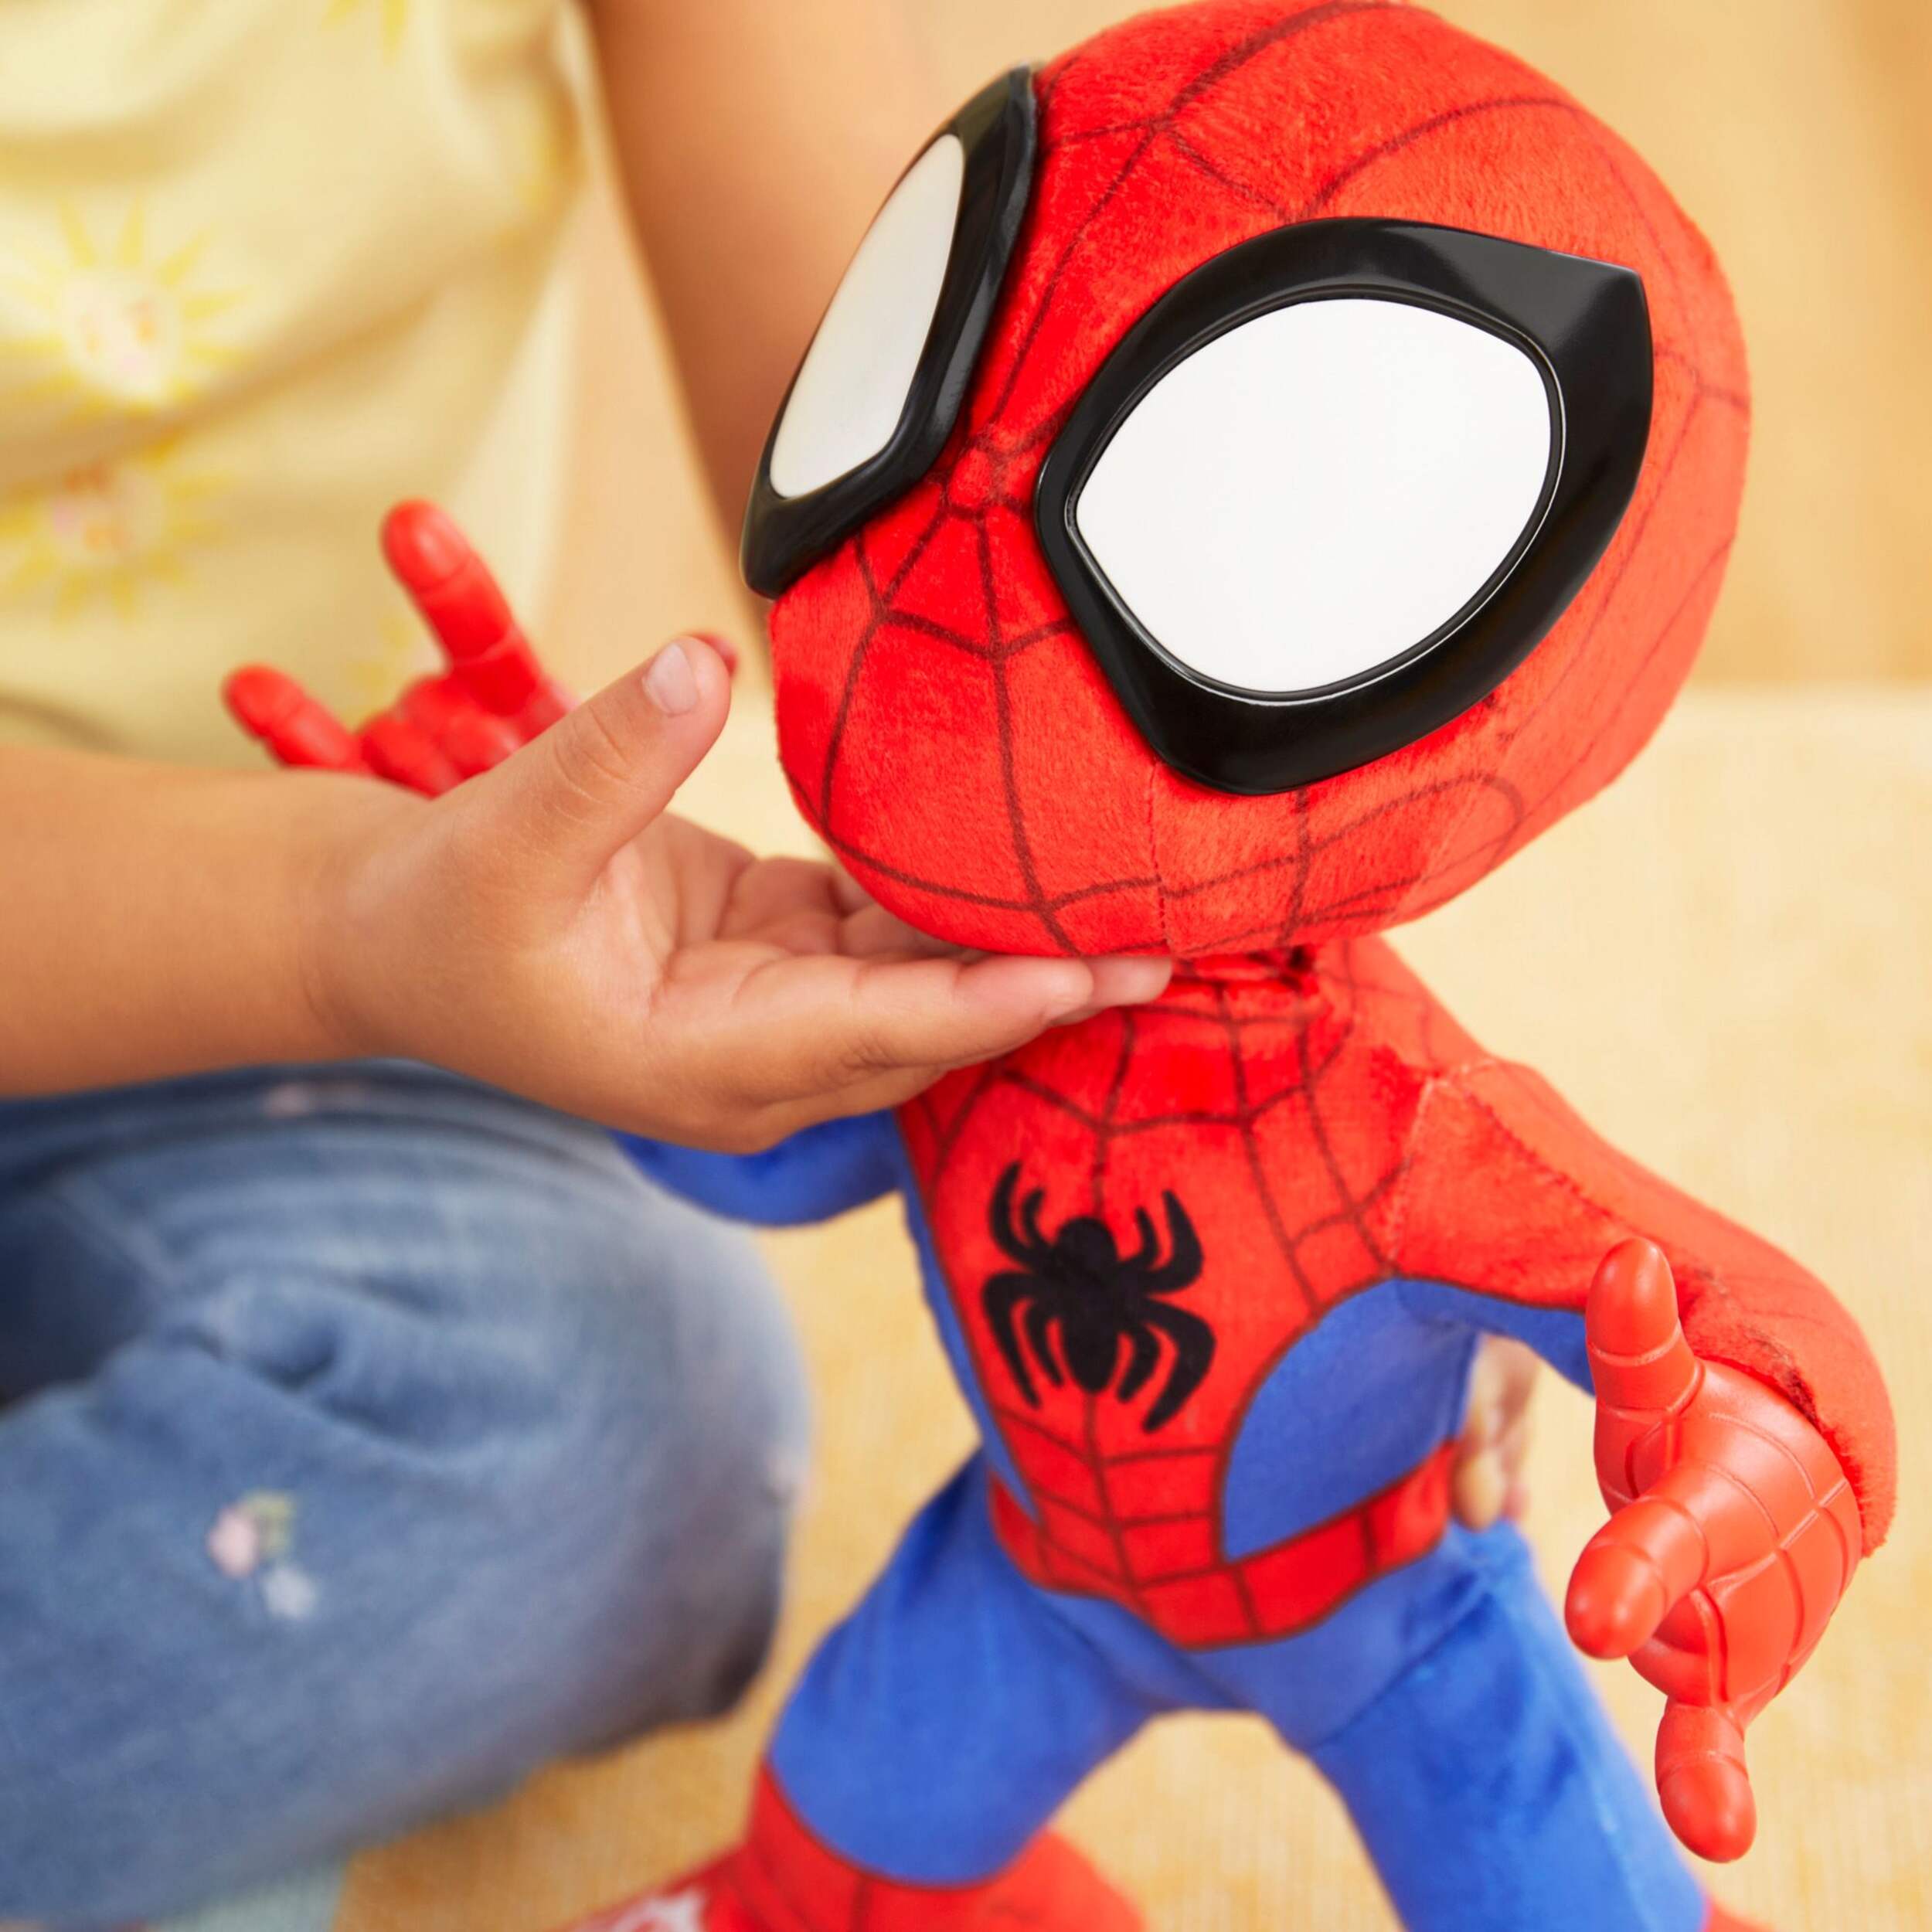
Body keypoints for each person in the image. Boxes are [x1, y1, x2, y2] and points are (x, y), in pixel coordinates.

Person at [0, 3, 1533, 1923]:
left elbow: (919, 416)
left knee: (615, 1435)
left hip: (347, 941)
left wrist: (1294, 1042)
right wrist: (340, 915)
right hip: (339, 910)